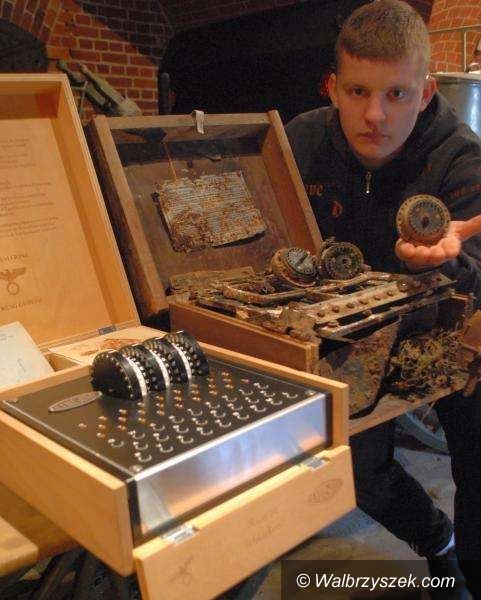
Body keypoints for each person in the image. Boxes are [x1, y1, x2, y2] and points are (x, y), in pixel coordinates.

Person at [285, 1, 481, 598]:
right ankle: (436, 542)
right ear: (332, 88)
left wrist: (450, 262)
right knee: (359, 472)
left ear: (425, 93)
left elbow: (479, 271)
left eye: (397, 94)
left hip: (454, 328)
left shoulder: (461, 157)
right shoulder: (298, 142)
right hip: (353, 337)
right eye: (358, 92)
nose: (375, 115)